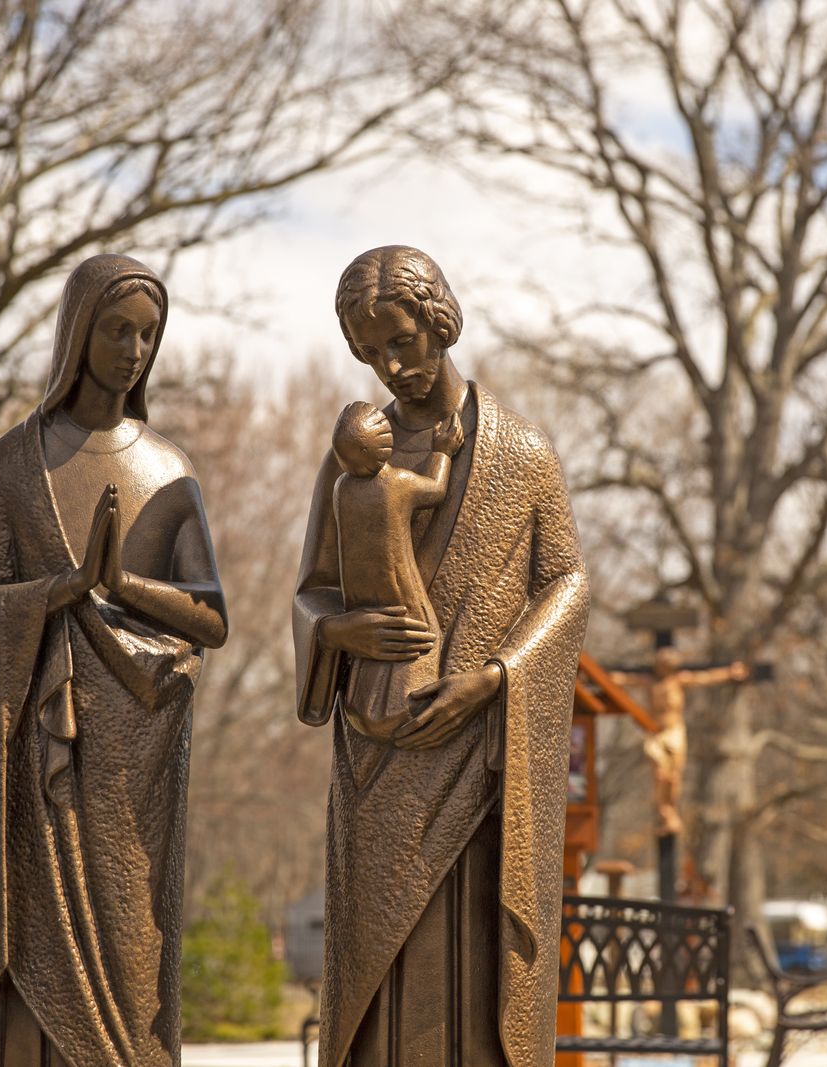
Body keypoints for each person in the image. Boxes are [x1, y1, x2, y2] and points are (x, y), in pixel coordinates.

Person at [293, 246, 589, 1067]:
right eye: (371, 351)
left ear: (439, 321)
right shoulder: (355, 457)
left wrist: (497, 679)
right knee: (377, 968)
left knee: (471, 956)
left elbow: (567, 580)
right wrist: (338, 632)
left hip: (479, 755)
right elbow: (312, 591)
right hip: (377, 747)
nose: (393, 366)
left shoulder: (521, 453)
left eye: (403, 341)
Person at [0, 254, 227, 1067]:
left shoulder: (168, 470)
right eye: (116, 330)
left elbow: (210, 617)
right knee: (37, 943)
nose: (134, 348)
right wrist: (60, 590)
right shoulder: (19, 461)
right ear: (78, 333)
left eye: (148, 333)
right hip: (42, 761)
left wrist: (122, 582)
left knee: (135, 949)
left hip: (138, 755)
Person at [330, 401, 464, 741]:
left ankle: (370, 709)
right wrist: (443, 451)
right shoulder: (397, 484)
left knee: (378, 644)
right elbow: (436, 490)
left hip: (362, 595)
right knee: (416, 637)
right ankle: (408, 701)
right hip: (399, 585)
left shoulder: (342, 489)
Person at [612, 648, 748, 837]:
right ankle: (665, 813)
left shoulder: (678, 680)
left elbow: (705, 678)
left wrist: (729, 674)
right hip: (655, 733)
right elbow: (624, 679)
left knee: (673, 777)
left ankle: (671, 813)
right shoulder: (649, 682)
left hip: (674, 731)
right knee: (660, 773)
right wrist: (593, 675)